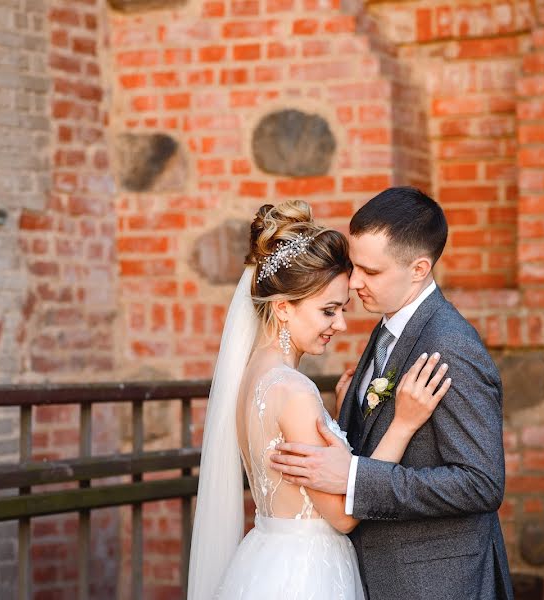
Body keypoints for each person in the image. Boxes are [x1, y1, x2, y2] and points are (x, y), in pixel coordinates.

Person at [188, 200, 451, 599]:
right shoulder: (294, 391)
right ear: (282, 309)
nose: (341, 325)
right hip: (307, 574)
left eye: (342, 309)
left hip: (265, 557)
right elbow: (344, 517)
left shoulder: (252, 376)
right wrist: (403, 423)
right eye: (328, 311)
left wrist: (336, 418)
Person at [269, 187, 514, 599]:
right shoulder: (388, 327)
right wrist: (347, 413)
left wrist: (354, 478)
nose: (354, 282)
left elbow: (481, 483)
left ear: (418, 269)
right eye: (354, 266)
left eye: (372, 272)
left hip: (436, 584)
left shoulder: (450, 345)